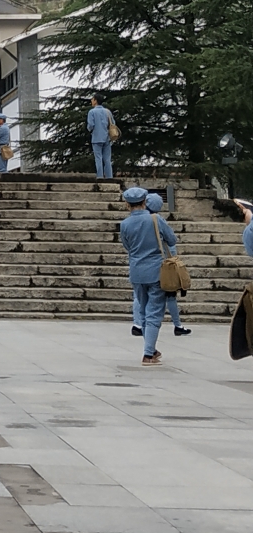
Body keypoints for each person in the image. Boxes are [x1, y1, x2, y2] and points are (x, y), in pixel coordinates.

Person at [118, 185, 176, 366]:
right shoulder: (155, 219)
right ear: (145, 202)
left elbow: (127, 246)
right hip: (157, 270)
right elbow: (172, 239)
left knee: (142, 310)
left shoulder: (125, 224)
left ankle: (150, 347)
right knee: (154, 311)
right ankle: (148, 352)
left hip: (136, 270)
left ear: (127, 204)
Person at [145, 190, 190, 336]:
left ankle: (139, 323)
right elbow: (171, 241)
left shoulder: (140, 219)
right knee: (170, 295)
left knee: (142, 297)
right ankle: (177, 325)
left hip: (145, 264)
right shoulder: (159, 220)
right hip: (164, 264)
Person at [87, 95, 116, 180]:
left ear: (95, 101)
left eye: (92, 99)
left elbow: (90, 125)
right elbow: (113, 123)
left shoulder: (92, 112)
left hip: (96, 138)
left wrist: (91, 130)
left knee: (98, 158)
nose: (91, 101)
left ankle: (100, 176)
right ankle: (109, 176)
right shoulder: (107, 111)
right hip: (106, 138)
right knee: (107, 159)